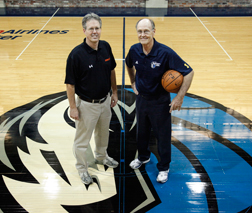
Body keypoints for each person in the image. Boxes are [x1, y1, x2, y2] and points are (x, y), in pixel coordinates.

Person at [126, 18, 194, 183]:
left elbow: (189, 72)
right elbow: (129, 64)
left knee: (162, 136)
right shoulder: (134, 50)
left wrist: (179, 97)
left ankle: (164, 167)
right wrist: (133, 82)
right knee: (141, 133)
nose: (143, 35)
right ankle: (143, 157)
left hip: (160, 102)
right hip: (142, 99)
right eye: (140, 31)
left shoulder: (165, 53)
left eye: (146, 31)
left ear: (153, 32)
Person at [65, 13, 119, 185]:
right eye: (91, 29)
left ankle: (102, 157)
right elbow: (70, 85)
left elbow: (112, 70)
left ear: (100, 29)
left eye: (97, 28)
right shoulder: (76, 55)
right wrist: (73, 107)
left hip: (105, 102)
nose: (94, 32)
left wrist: (115, 92)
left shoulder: (105, 47)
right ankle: (82, 169)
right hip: (86, 105)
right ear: (84, 31)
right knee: (82, 141)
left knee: (103, 134)